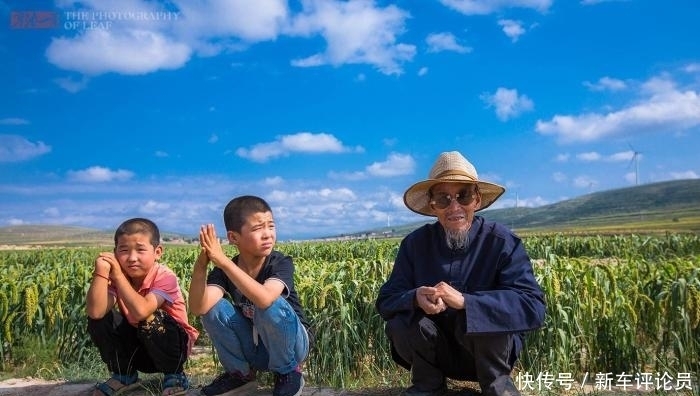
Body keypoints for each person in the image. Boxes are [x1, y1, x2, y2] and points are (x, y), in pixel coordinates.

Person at [375, 151, 546, 396]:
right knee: (402, 319)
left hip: (490, 357)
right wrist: (414, 297)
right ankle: (428, 386)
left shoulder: (502, 242)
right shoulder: (414, 245)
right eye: (443, 199)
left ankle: (497, 388)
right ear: (433, 205)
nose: (454, 207)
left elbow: (533, 306)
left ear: (476, 200)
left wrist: (469, 303)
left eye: (463, 196)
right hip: (435, 353)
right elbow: (386, 301)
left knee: (487, 317)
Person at [189, 195, 312, 396]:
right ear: (234, 237)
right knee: (214, 308)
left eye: (271, 226)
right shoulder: (223, 272)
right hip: (257, 349)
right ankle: (240, 375)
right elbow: (198, 308)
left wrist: (224, 262)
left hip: (292, 347)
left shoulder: (279, 263)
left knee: (268, 306)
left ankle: (288, 373)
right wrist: (201, 265)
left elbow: (264, 299)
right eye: (257, 229)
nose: (268, 235)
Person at [86, 217, 200, 396]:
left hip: (171, 349)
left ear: (157, 252)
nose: (132, 258)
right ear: (115, 252)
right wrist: (101, 272)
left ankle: (175, 375)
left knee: (152, 318)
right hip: (138, 351)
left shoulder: (164, 276)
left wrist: (118, 277)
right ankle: (125, 375)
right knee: (100, 319)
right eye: (124, 250)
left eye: (140, 250)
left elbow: (141, 312)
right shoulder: (117, 276)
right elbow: (95, 312)